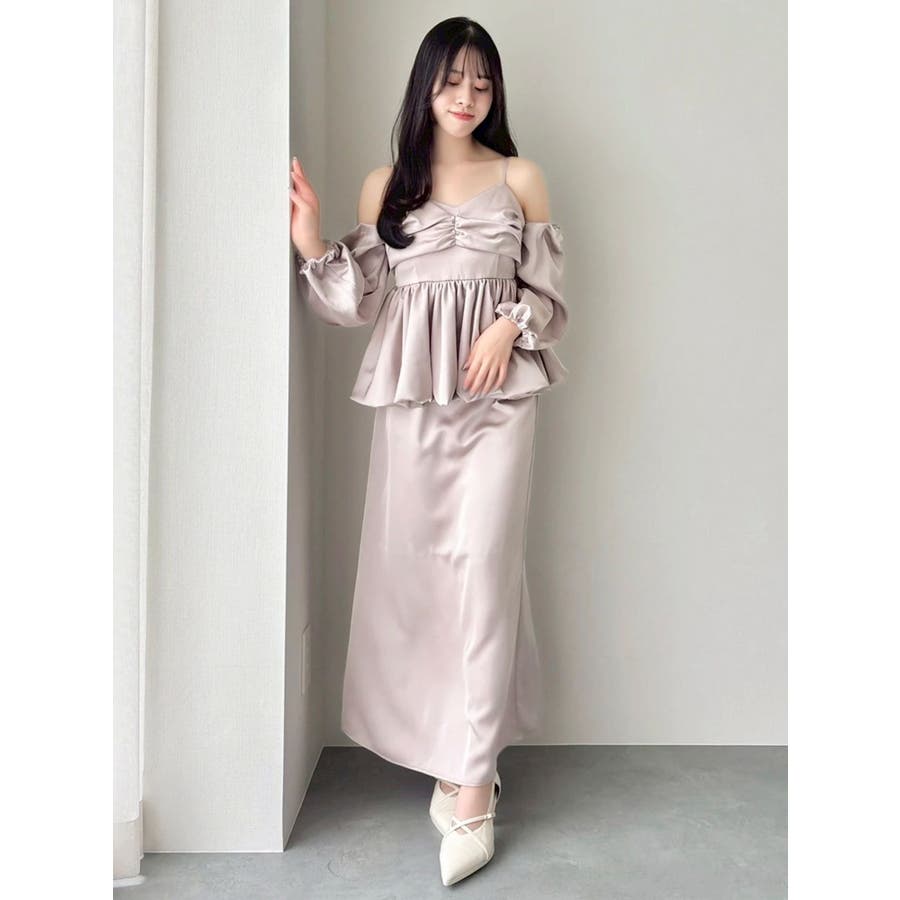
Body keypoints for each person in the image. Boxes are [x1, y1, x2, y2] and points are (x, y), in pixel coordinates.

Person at [289, 16, 568, 887]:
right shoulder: (389, 186)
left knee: (484, 572)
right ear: (426, 86)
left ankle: (475, 785)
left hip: (498, 404)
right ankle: (452, 753)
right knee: (415, 578)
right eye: (452, 80)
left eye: (482, 82)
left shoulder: (520, 178)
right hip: (413, 407)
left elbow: (550, 298)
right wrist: (312, 240)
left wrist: (507, 325)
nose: (467, 96)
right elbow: (360, 302)